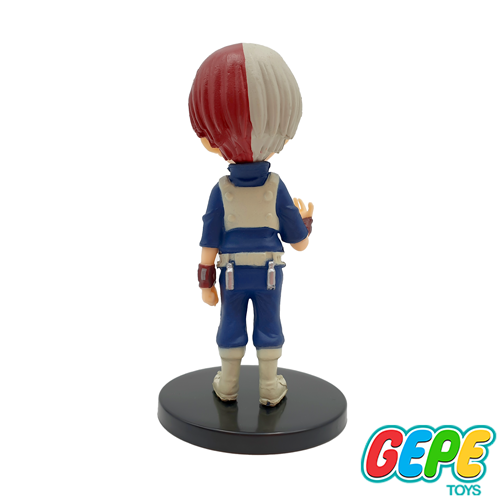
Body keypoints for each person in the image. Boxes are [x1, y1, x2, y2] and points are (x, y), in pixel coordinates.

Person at [190, 43, 313, 406]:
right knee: (269, 323)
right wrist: (304, 222)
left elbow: (209, 241)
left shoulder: (221, 190)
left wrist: (205, 282)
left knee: (230, 322)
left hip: (230, 272)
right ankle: (268, 386)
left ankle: (228, 385)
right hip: (269, 271)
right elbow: (300, 243)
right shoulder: (276, 187)